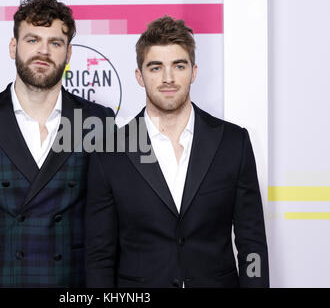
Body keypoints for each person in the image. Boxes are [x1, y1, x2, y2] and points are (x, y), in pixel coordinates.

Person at [0, 0, 114, 287]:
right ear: (13, 47)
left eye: (55, 43)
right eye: (32, 40)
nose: (43, 51)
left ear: (68, 54)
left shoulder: (97, 120)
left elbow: (108, 223)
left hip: (71, 284)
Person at [85, 16, 269, 288]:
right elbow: (99, 256)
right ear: (139, 75)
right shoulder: (108, 152)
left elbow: (252, 243)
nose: (168, 78)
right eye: (156, 67)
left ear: (193, 72)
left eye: (178, 66)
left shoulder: (233, 143)